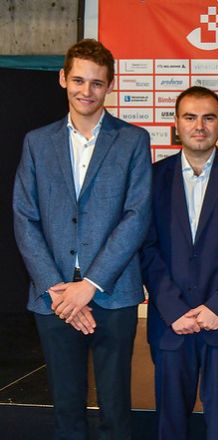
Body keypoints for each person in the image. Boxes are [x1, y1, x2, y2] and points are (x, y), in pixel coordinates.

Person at [12, 38, 152, 439]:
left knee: (116, 411)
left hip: (112, 295)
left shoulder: (133, 140)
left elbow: (137, 216)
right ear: (62, 79)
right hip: (52, 299)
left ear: (110, 85)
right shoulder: (37, 142)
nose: (86, 91)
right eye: (78, 80)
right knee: (66, 409)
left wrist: (89, 285)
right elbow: (24, 217)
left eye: (96, 83)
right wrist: (58, 290)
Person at [140, 86, 218, 440]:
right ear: (176, 124)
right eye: (190, 117)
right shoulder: (152, 176)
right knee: (170, 425)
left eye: (208, 118)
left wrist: (217, 307)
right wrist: (173, 309)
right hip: (170, 322)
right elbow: (146, 247)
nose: (199, 126)